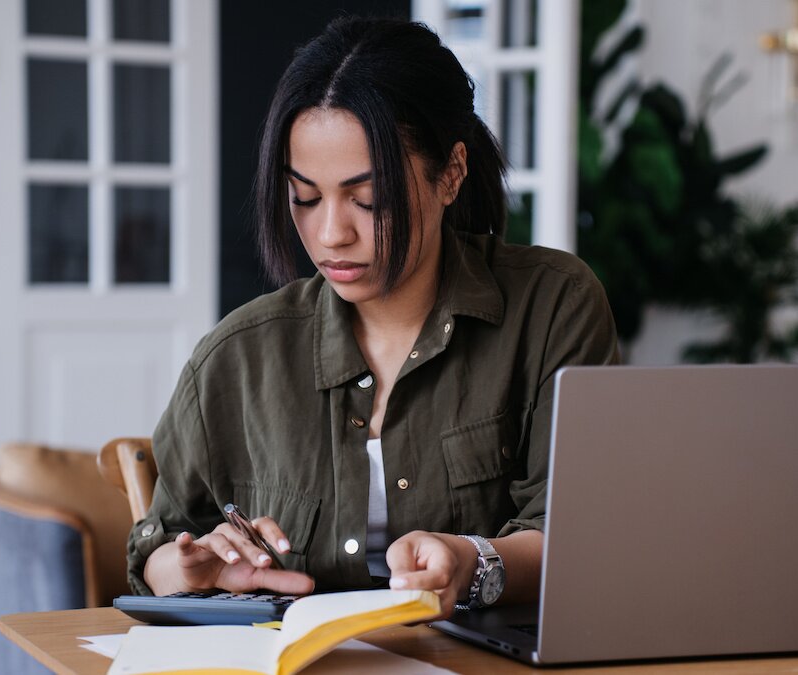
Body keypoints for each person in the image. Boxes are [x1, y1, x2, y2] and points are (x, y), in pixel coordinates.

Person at [127, 16, 619, 617]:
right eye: (304, 198)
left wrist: (474, 561)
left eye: (369, 199)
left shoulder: (553, 307)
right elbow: (155, 546)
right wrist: (191, 567)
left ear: (451, 174)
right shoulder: (236, 358)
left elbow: (579, 537)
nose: (331, 233)